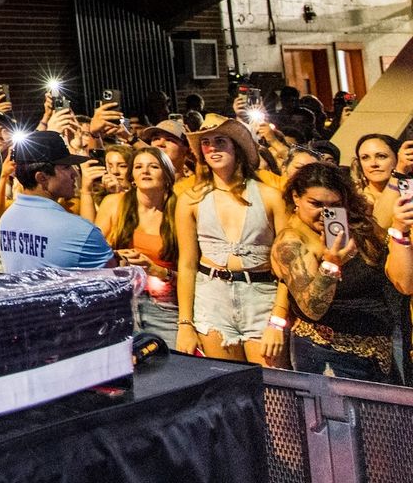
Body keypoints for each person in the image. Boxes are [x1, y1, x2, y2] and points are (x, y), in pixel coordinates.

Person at [271, 162, 413, 382]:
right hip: (327, 352)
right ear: (296, 197)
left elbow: (404, 284)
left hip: (382, 352)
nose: (325, 213)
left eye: (334, 205)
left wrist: (400, 232)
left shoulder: (360, 227)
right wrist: (330, 265)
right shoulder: (291, 241)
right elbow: (312, 309)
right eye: (315, 203)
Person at [174, 116, 290, 366]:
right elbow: (187, 264)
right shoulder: (189, 199)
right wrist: (185, 323)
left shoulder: (271, 197)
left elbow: (288, 267)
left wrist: (277, 321)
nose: (213, 148)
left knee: (273, 390)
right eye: (205, 143)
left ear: (236, 146)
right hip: (212, 296)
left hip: (261, 296)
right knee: (228, 387)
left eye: (220, 140)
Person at [0, 131, 116, 273]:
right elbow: (115, 281)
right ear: (42, 178)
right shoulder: (80, 231)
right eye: (66, 167)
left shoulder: (7, 218)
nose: (75, 173)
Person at [98, 146, 182, 344]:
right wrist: (117, 256)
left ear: (167, 176)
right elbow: (93, 254)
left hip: (164, 305)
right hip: (121, 300)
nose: (145, 171)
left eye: (153, 166)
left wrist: (157, 270)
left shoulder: (179, 210)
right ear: (132, 177)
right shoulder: (113, 203)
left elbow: (191, 274)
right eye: (138, 167)